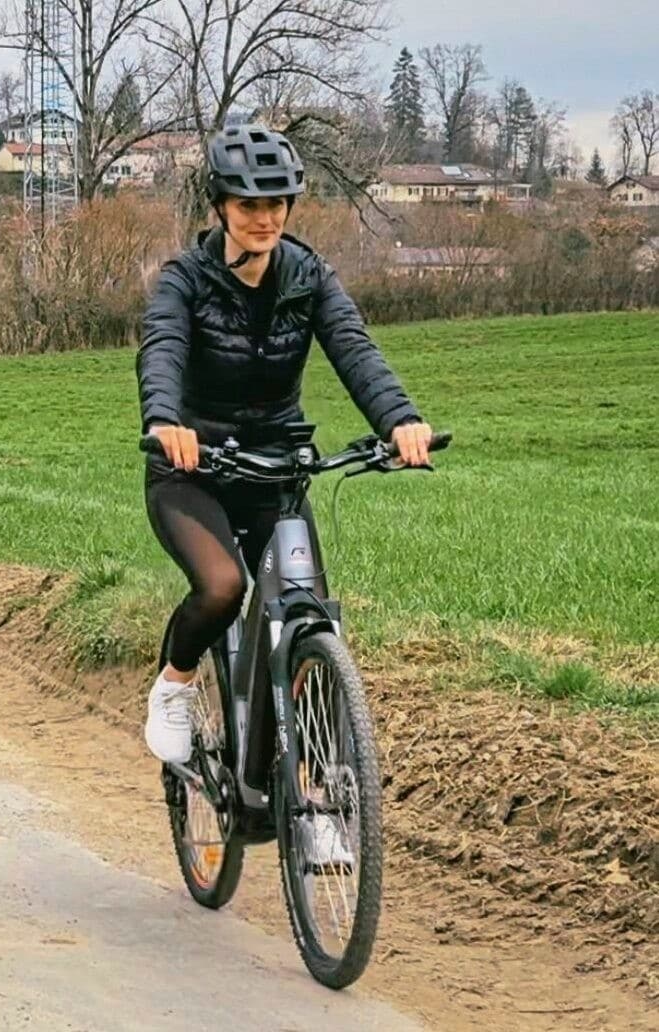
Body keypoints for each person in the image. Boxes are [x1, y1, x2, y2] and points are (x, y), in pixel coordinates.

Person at [136, 124, 434, 774]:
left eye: (275, 203)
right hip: (194, 470)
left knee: (307, 616)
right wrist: (164, 421)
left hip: (277, 468)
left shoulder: (308, 275)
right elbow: (161, 347)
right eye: (248, 204)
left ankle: (321, 789)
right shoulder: (183, 279)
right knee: (222, 588)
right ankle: (175, 686)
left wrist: (399, 420)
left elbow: (354, 349)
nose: (264, 217)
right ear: (219, 205)